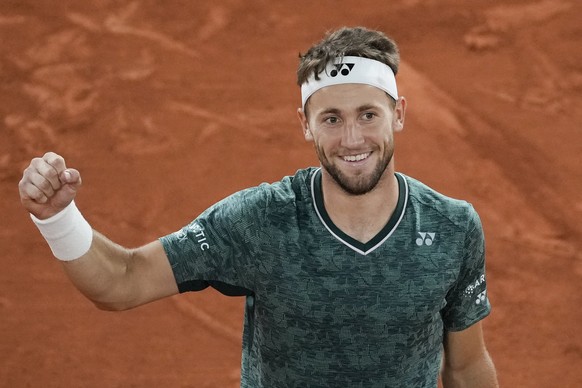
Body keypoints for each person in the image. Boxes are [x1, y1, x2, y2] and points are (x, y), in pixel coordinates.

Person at [18, 26, 498, 387]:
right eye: (331, 119)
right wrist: (58, 217)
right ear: (305, 125)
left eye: (368, 115)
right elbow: (121, 283)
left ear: (399, 114)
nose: (353, 139)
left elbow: (467, 365)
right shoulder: (259, 221)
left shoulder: (454, 227)